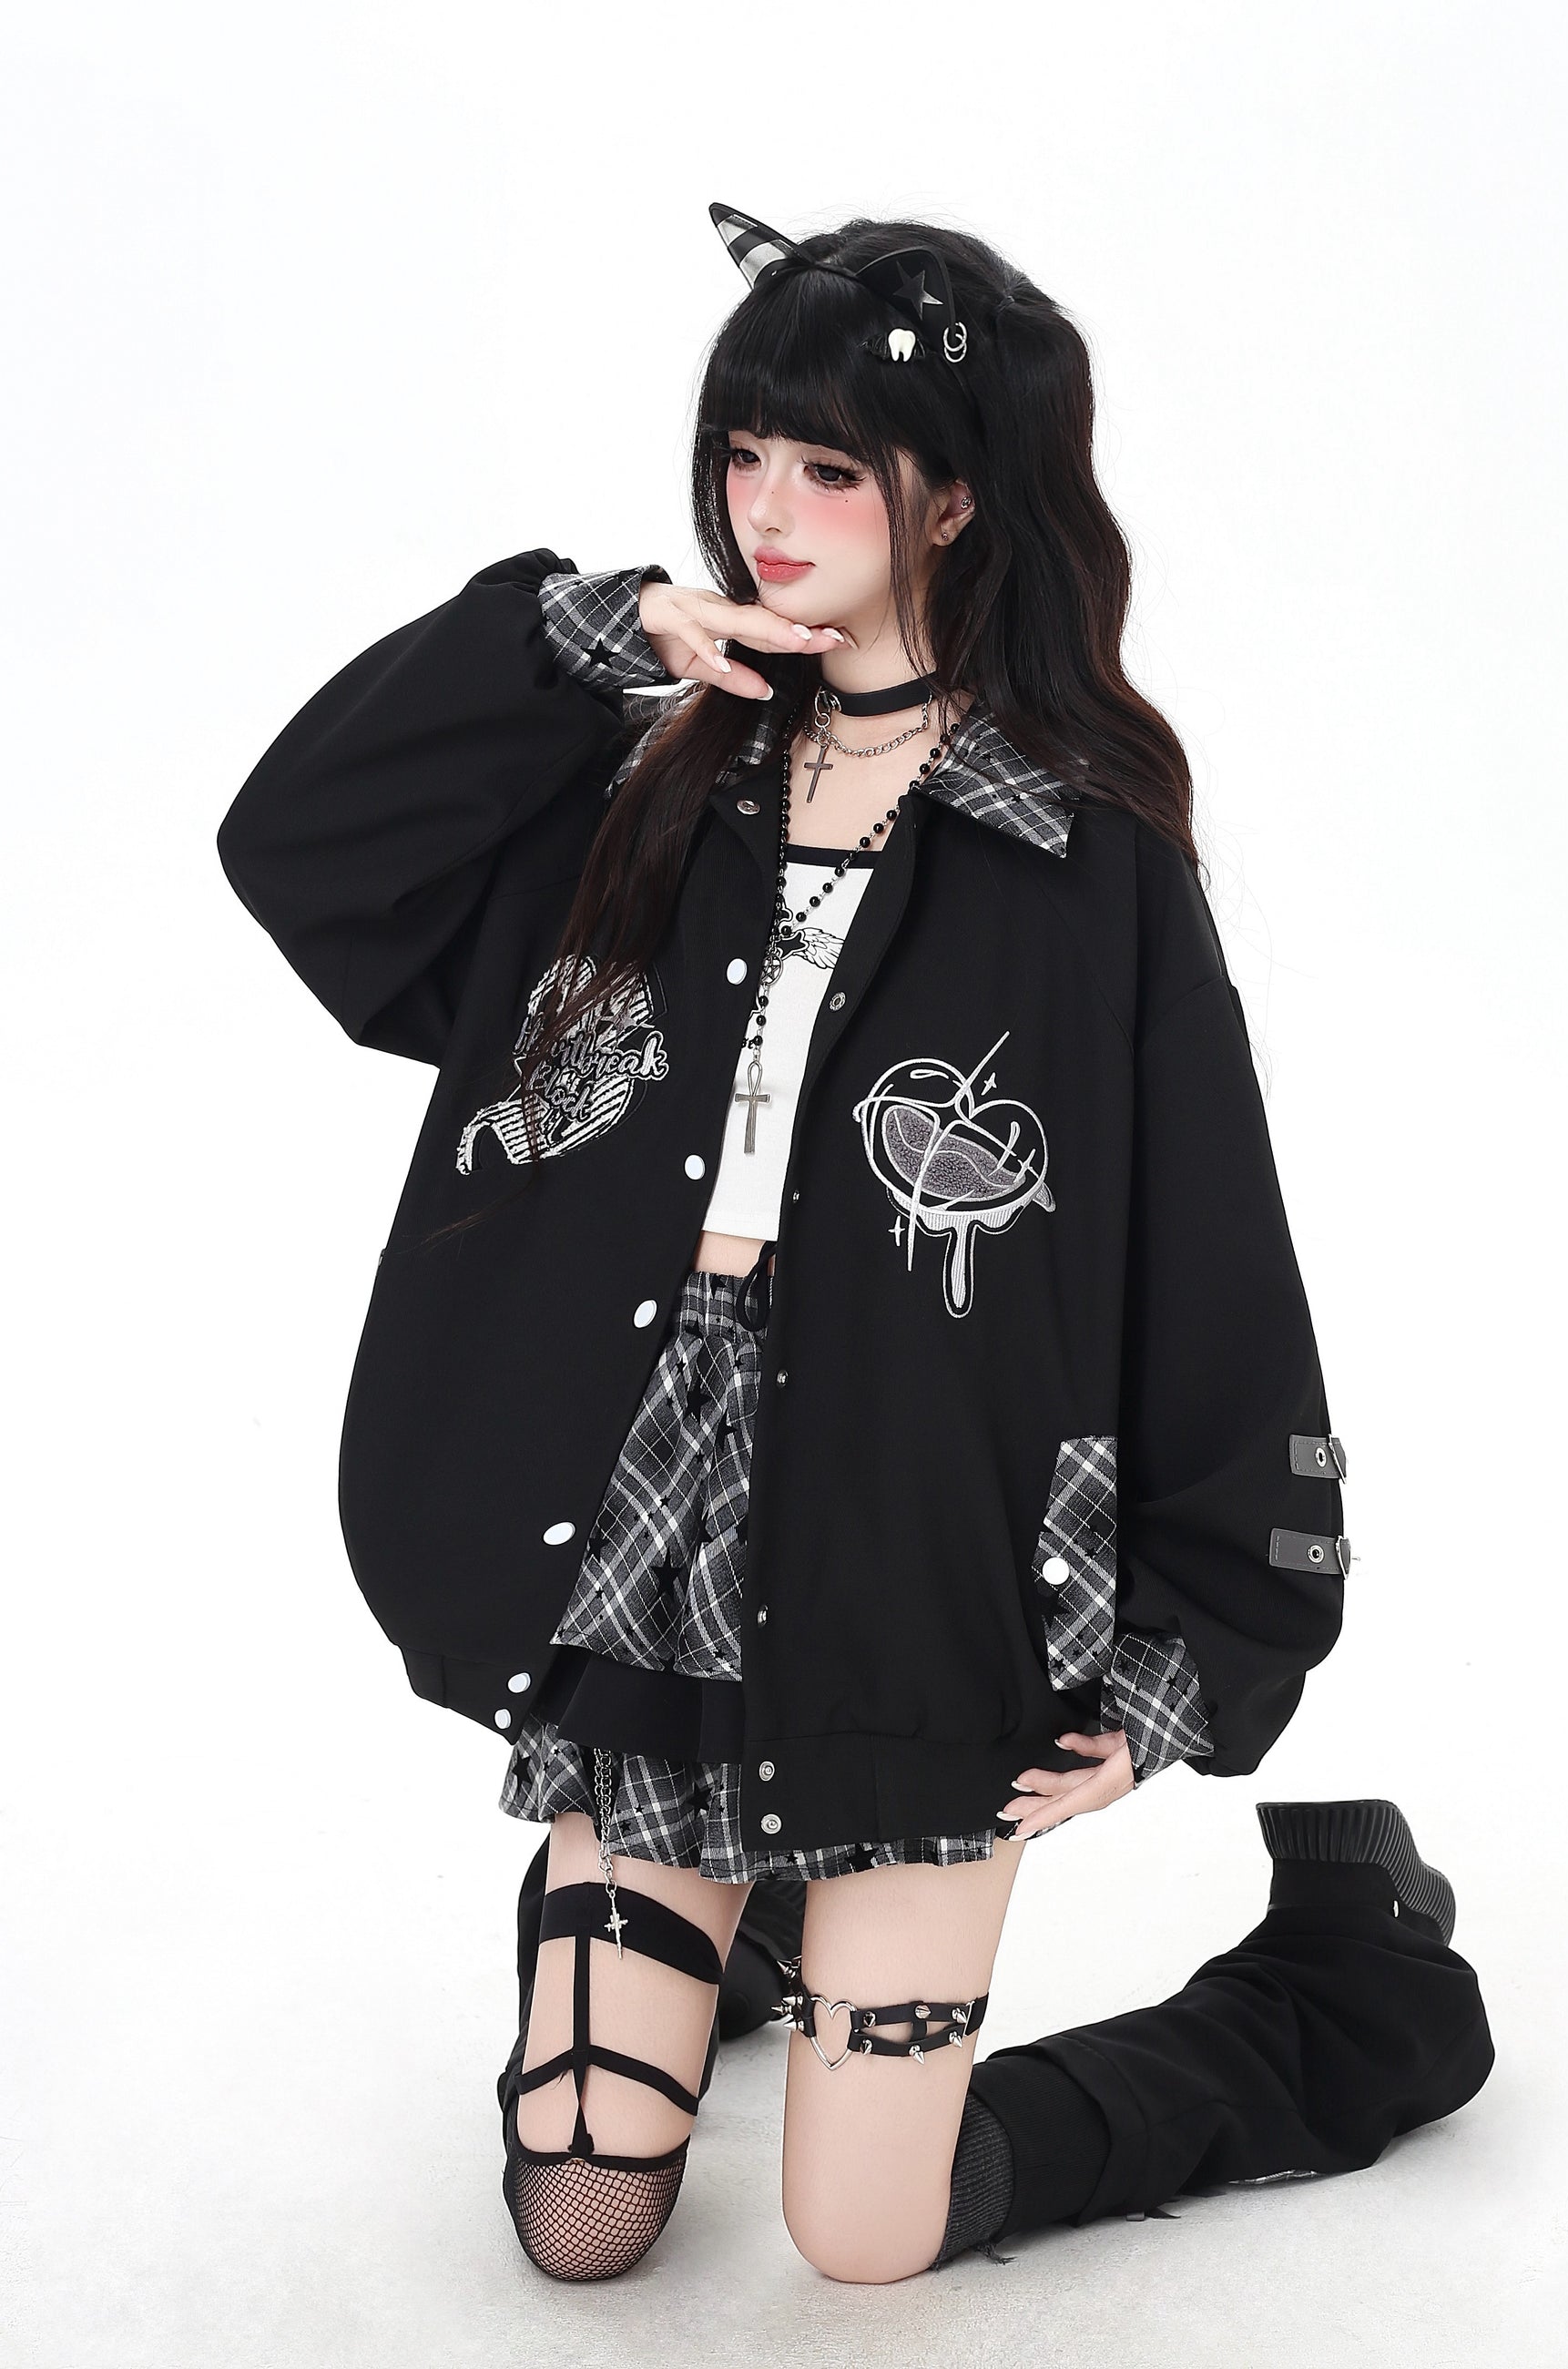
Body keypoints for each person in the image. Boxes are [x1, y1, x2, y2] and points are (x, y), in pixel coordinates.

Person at [217, 203, 1488, 2286]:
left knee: (863, 2231)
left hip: (916, 1543)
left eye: (829, 466)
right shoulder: (641, 779)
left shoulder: (1078, 852)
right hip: (644, 1477)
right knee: (585, 2216)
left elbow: (1206, 1249)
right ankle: (716, 1902)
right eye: (745, 455)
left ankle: (1351, 1981)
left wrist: (1200, 1633)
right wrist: (579, 638)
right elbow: (299, 849)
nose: (767, 511)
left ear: (957, 495)